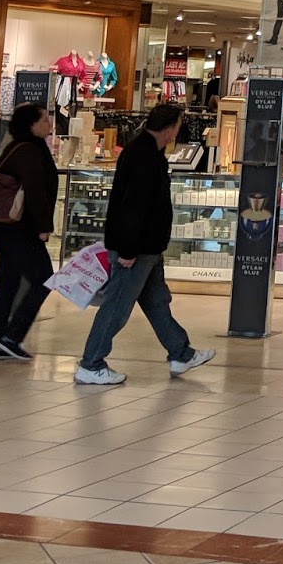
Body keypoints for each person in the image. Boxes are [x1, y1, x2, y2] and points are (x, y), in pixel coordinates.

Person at [74, 103, 215, 386]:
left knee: (156, 302)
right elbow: (133, 207)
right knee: (117, 307)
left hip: (148, 248)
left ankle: (181, 353)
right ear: (170, 129)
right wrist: (128, 250)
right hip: (135, 250)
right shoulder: (142, 157)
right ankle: (91, 363)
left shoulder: (149, 153)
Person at [0, 102, 60, 362]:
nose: (49, 124)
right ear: (31, 125)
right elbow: (35, 191)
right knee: (43, 278)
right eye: (44, 120)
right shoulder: (29, 150)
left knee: (8, 280)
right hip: (19, 228)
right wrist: (43, 227)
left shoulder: (17, 146)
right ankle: (11, 337)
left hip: (4, 226)